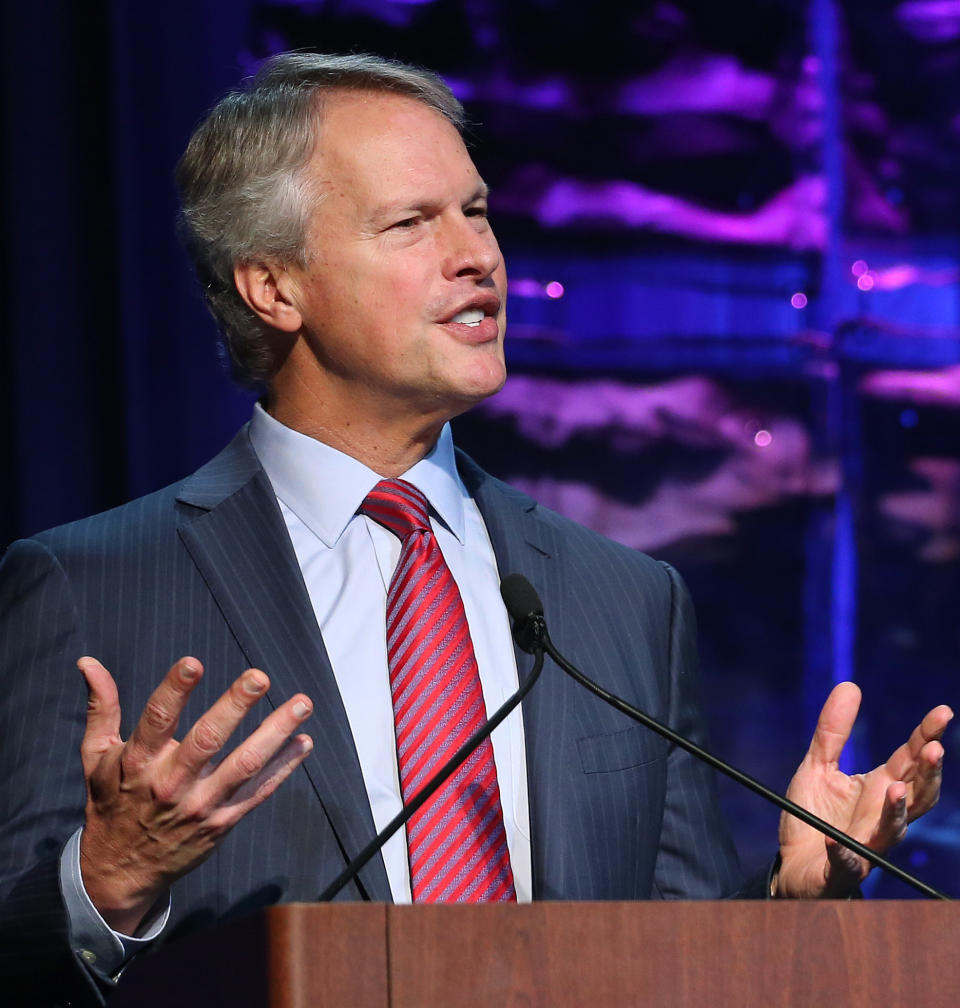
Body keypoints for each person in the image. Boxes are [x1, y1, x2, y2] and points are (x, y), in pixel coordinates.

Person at [0, 52, 950, 1007]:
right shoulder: (94, 585)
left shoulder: (621, 598)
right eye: (412, 222)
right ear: (274, 288)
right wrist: (108, 884)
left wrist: (794, 893)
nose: (478, 255)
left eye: (478, 211)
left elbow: (678, 950)